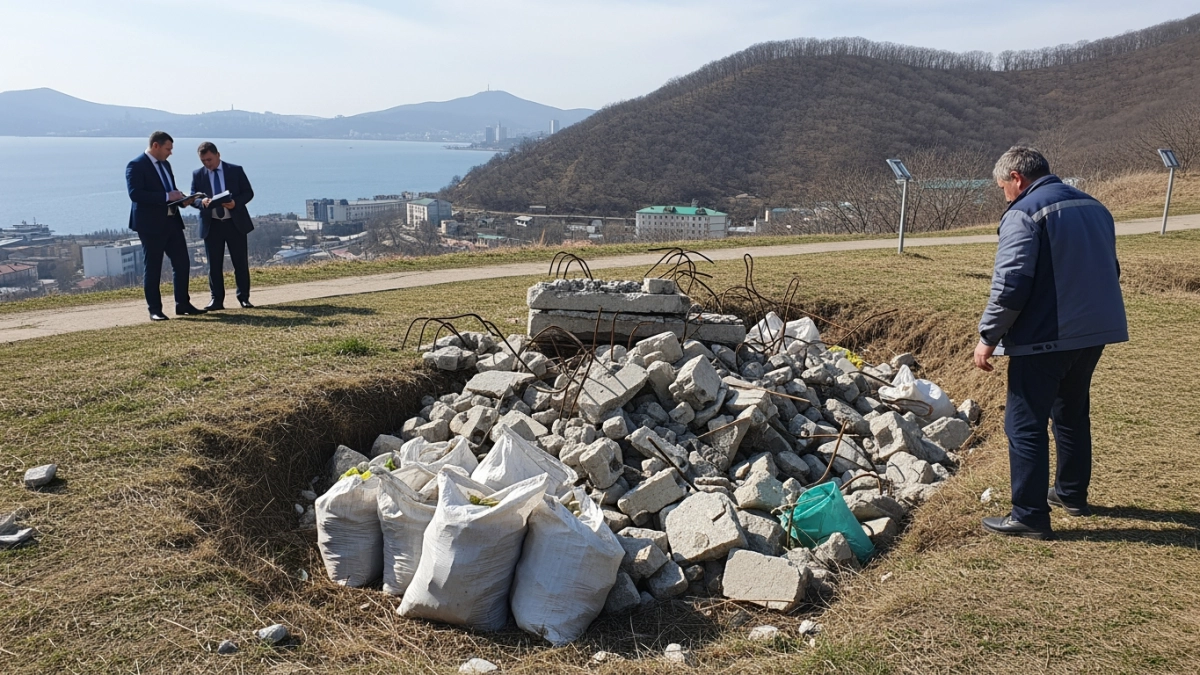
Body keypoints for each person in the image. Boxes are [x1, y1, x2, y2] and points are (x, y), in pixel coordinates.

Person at [974, 146, 1128, 540]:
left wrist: (988, 337)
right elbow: (1111, 268)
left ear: (1016, 179)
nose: (1003, 194)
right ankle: (1071, 494)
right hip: (1094, 332)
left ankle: (1028, 514)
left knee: (1024, 423)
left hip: (1045, 337)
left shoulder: (1023, 213)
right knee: (1072, 413)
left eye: (1002, 186)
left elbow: (1011, 283)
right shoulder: (1094, 206)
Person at [126, 131, 205, 320]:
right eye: (168, 148)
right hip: (151, 225)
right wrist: (167, 197)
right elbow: (136, 194)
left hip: (172, 221)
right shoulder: (136, 165)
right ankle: (155, 309)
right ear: (155, 146)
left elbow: (170, 192)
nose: (170, 153)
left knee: (182, 263)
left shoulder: (166, 165)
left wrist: (182, 200)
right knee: (153, 267)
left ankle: (182, 304)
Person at [190, 142, 256, 309]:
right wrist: (201, 202)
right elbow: (193, 198)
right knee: (214, 264)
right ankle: (216, 299)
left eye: (209, 159)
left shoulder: (235, 170)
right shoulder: (198, 174)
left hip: (235, 223)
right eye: (203, 160)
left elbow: (248, 193)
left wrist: (235, 203)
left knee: (240, 262)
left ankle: (243, 297)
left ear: (218, 155)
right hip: (212, 225)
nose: (207, 163)